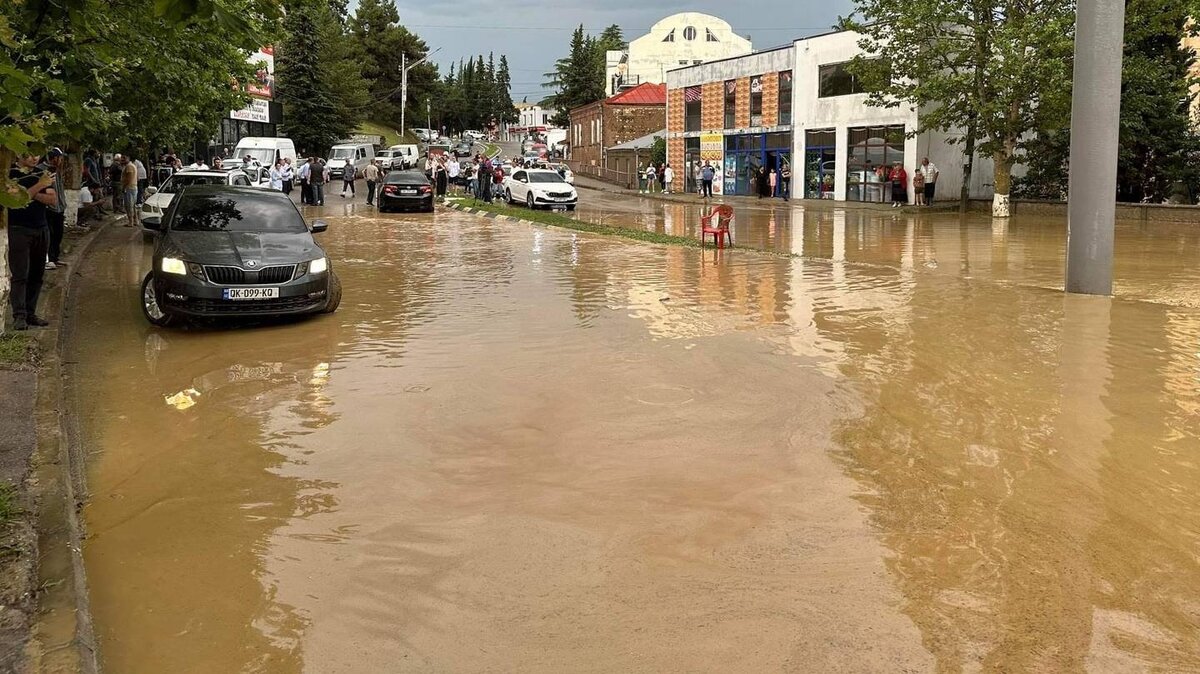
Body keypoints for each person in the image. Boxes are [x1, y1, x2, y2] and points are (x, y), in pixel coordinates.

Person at [6, 153, 57, 330]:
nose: (34, 158)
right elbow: (14, 201)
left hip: (41, 228)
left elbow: (52, 199)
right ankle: (19, 315)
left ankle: (30, 312)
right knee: (20, 274)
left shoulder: (41, 174)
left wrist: (29, 193)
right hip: (18, 229)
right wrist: (39, 187)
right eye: (29, 154)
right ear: (19, 154)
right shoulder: (11, 174)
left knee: (37, 274)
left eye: (37, 154)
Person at [39, 148, 67, 270]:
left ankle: (55, 257)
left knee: (58, 234)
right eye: (59, 158)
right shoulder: (41, 170)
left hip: (59, 208)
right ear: (54, 158)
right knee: (49, 234)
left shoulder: (57, 170)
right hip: (48, 208)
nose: (61, 160)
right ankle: (49, 259)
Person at [121, 155, 139, 227]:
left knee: (129, 205)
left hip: (129, 187)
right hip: (133, 187)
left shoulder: (129, 166)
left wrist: (124, 187)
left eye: (124, 158)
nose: (122, 160)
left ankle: (130, 221)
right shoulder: (132, 165)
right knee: (133, 205)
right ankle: (135, 220)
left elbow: (129, 178)